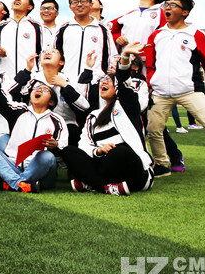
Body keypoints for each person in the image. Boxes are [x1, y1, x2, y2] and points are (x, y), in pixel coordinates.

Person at [143, 0, 205, 176]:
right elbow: (150, 63)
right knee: (153, 130)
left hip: (189, 91)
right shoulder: (156, 35)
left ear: (185, 12)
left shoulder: (196, 34)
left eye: (173, 5)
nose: (167, 8)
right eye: (166, 4)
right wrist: (151, 83)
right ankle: (162, 164)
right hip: (160, 93)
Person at [63, 44, 154, 195]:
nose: (104, 82)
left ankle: (91, 183)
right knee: (69, 151)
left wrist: (125, 56)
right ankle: (104, 187)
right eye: (103, 80)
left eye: (109, 81)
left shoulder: (127, 107)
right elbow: (84, 144)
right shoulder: (93, 116)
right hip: (104, 165)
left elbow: (124, 83)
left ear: (117, 87)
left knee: (119, 152)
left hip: (133, 170)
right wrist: (98, 150)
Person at [0, 78, 69, 193]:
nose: (39, 90)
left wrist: (55, 144)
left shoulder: (57, 120)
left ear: (51, 102)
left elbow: (63, 147)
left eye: (44, 90)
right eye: (36, 88)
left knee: (47, 156)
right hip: (14, 166)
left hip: (41, 171)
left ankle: (11, 183)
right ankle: (20, 184)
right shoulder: (20, 111)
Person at [55, 0, 115, 81]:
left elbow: (112, 57)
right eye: (75, 2)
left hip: (94, 82)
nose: (79, 4)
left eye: (83, 1)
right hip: (67, 83)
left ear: (91, 5)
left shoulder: (102, 29)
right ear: (70, 7)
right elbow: (54, 55)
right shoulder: (63, 29)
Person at [0, 0, 43, 78]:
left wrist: (39, 75)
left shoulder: (36, 26)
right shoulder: (0, 27)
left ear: (30, 7)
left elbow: (42, 52)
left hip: (30, 78)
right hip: (6, 79)